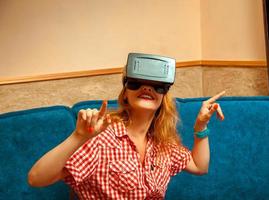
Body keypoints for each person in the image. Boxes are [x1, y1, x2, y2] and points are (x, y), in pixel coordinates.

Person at [28, 53, 225, 199]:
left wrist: (201, 125)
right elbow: (36, 178)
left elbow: (200, 166)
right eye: (136, 83)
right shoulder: (101, 136)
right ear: (125, 94)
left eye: (157, 85)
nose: (146, 88)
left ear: (163, 97)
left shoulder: (163, 144)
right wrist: (78, 137)